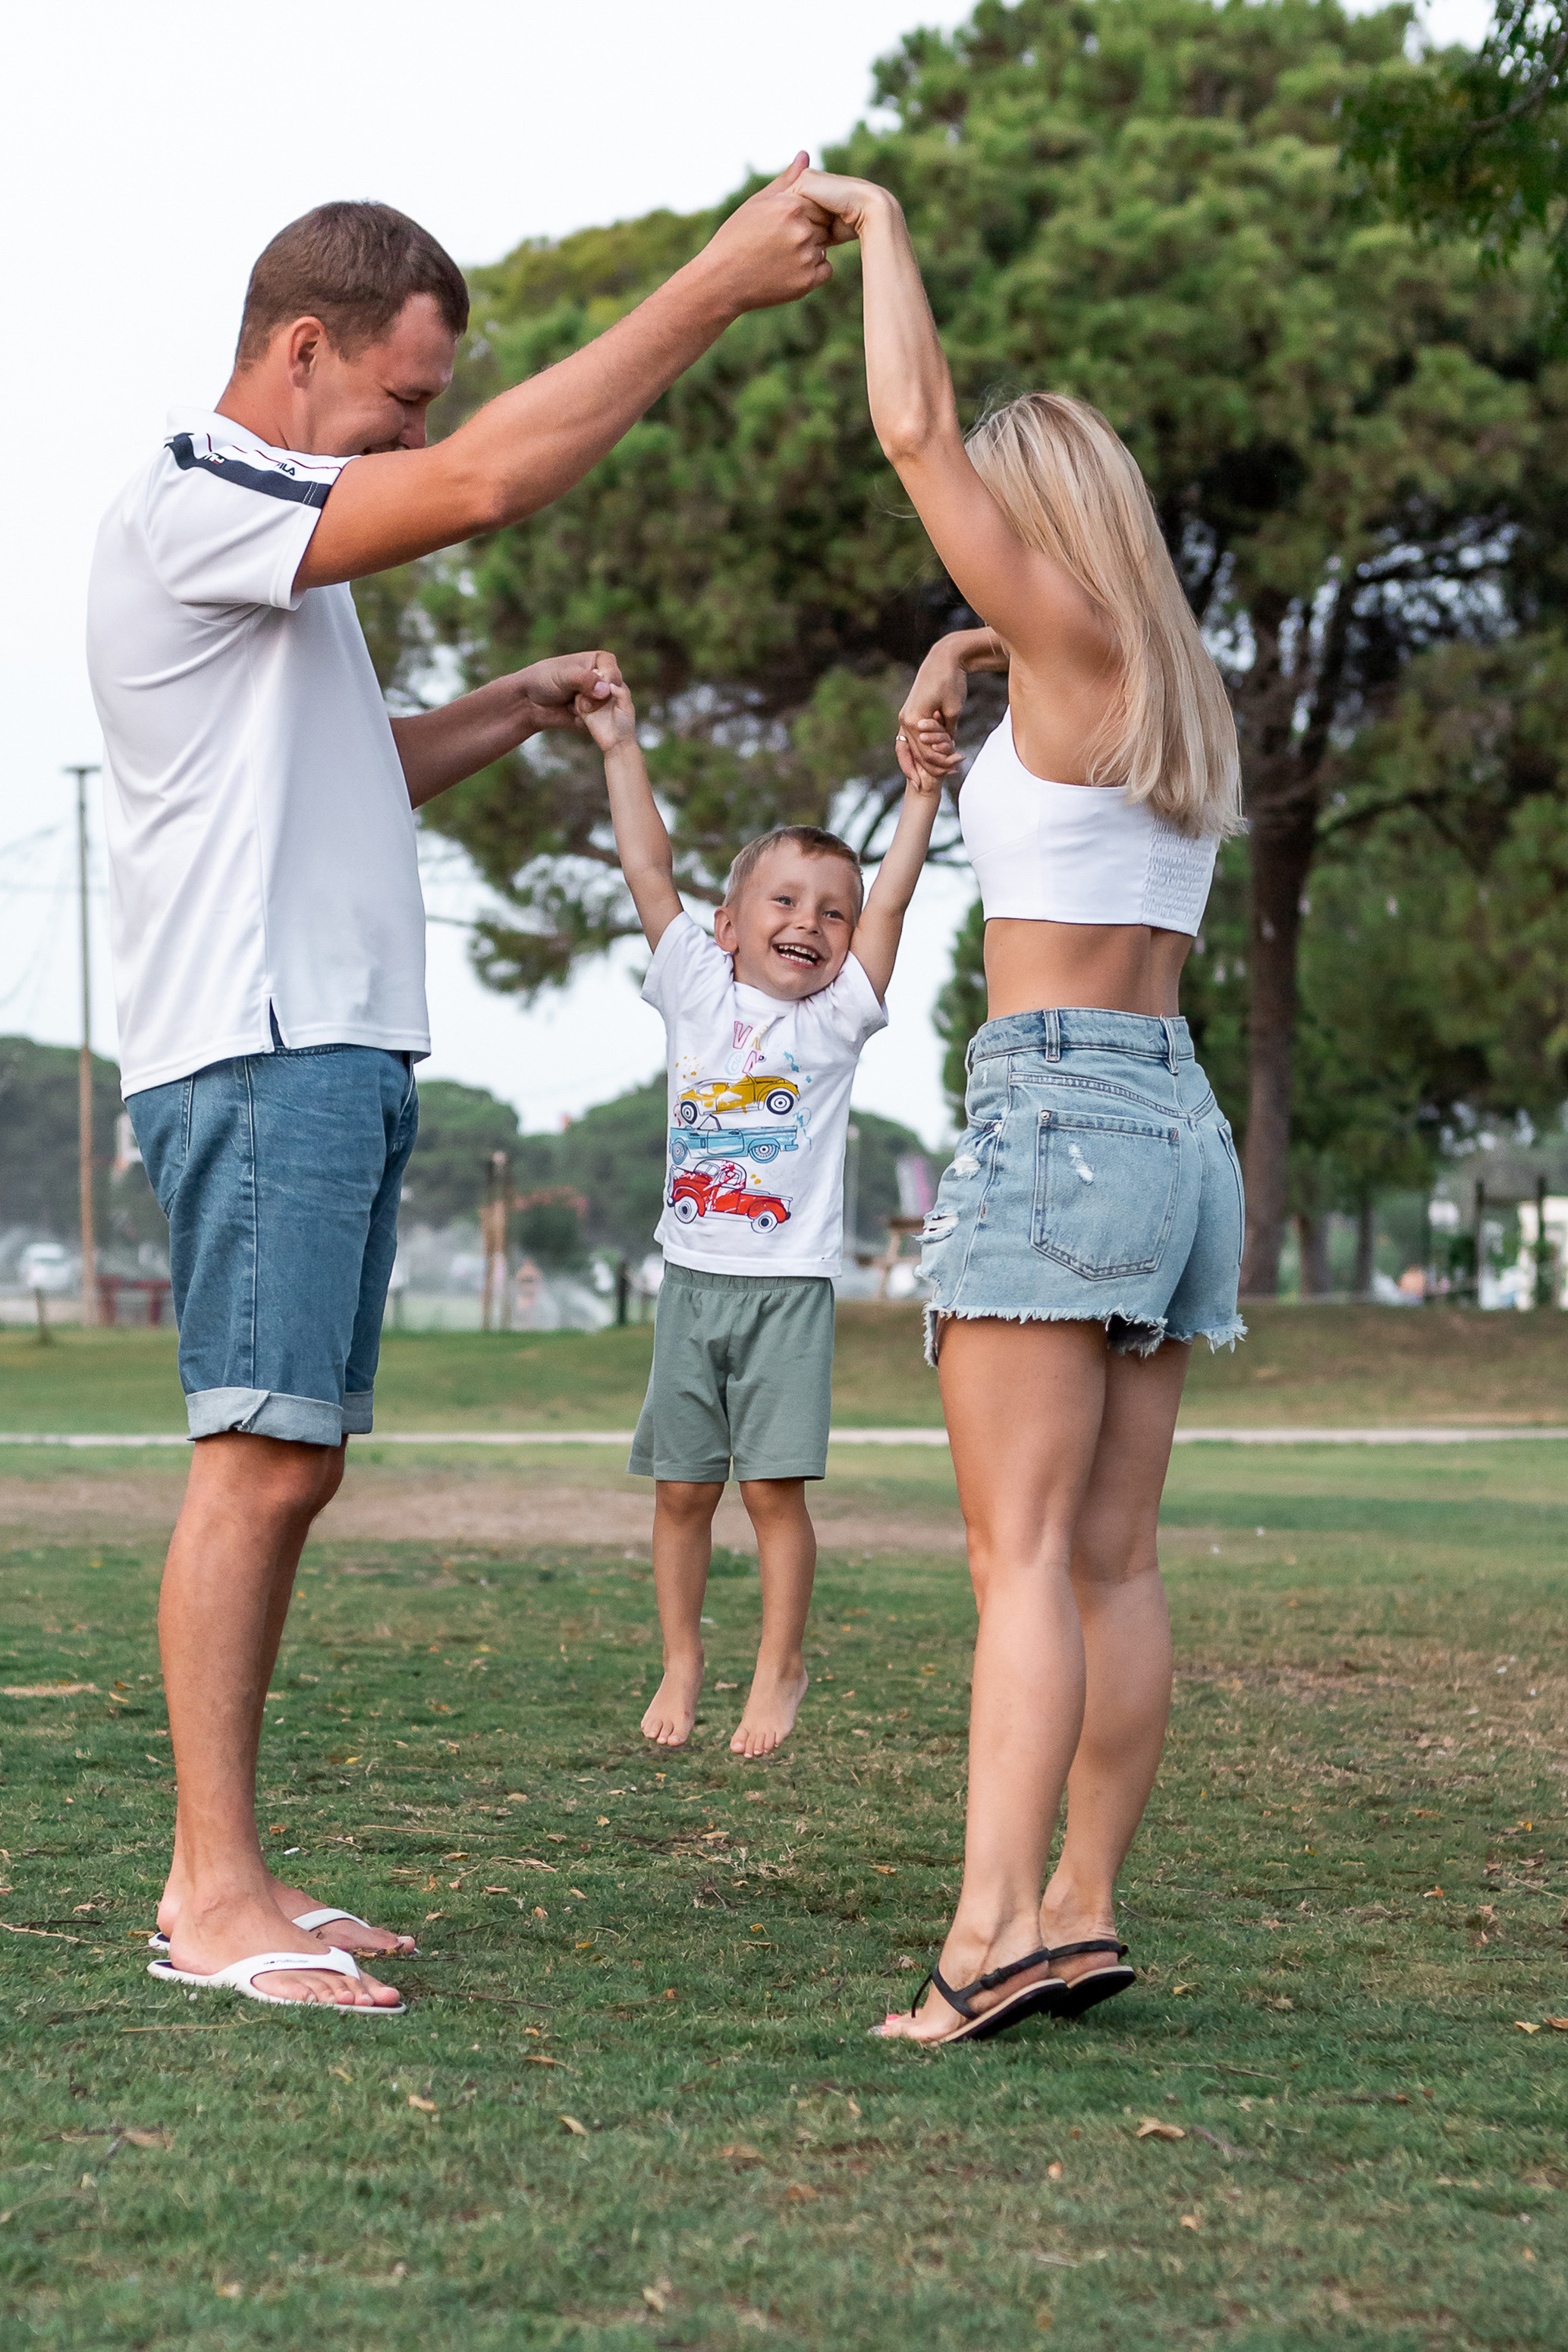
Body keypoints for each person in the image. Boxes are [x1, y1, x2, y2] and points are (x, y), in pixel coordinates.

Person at [86, 174, 837, 2013]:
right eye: (400, 401)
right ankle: (206, 1892)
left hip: (320, 1043)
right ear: (302, 347)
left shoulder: (274, 570)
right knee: (256, 1461)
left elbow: (341, 783)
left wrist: (500, 707)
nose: (415, 438)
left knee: (296, 1458)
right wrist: (715, 290)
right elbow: (500, 479)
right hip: (264, 1051)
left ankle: (237, 1866)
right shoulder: (200, 498)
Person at [796, 168, 1245, 2044]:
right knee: (1113, 1554)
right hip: (1176, 1124)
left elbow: (907, 422)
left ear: (1038, 532)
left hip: (1055, 1111)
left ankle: (983, 1934)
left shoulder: (1059, 653)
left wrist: (877, 222)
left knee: (1018, 1562)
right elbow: (1033, 681)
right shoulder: (1161, 685)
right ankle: (1071, 1905)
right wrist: (960, 661)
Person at [578, 676, 941, 1757]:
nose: (812, 924)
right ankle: (682, 1659)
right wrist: (619, 742)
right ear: (729, 925)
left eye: (828, 912)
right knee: (683, 1492)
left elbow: (893, 904)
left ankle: (781, 1663)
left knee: (773, 1493)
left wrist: (920, 793)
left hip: (787, 1293)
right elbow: (649, 865)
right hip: (690, 1283)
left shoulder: (835, 1024)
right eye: (784, 903)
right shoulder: (694, 984)